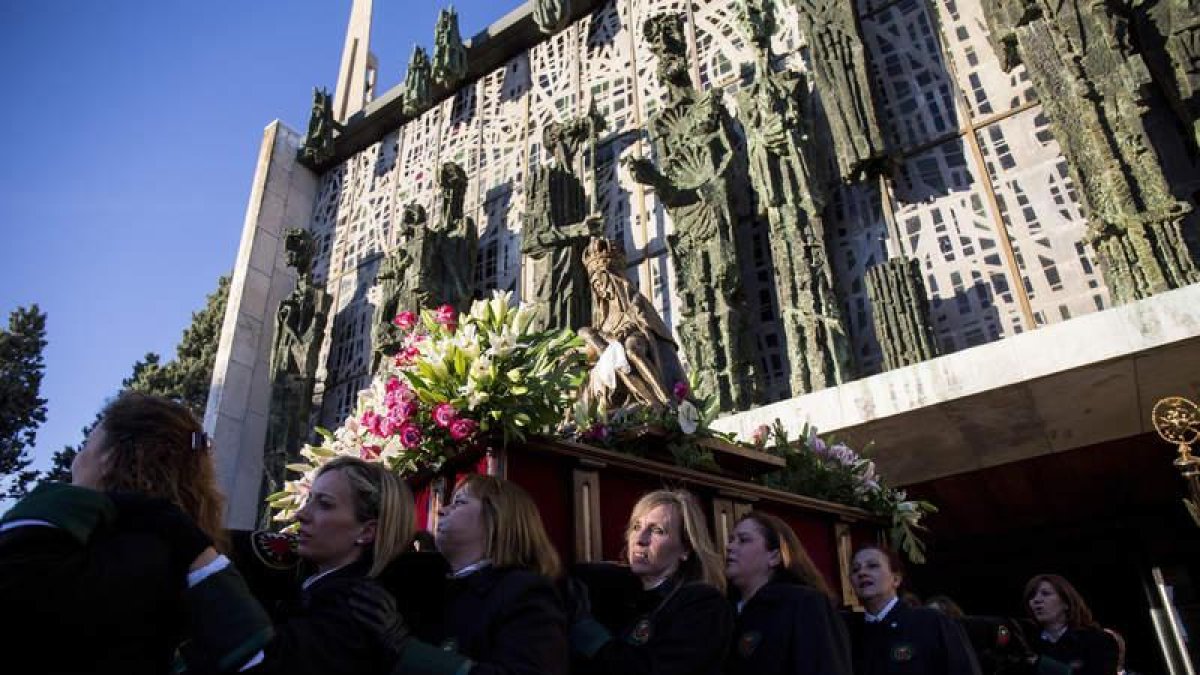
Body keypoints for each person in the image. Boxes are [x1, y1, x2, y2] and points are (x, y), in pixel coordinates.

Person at [0, 392, 272, 674]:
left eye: (85, 446)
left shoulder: (62, 549)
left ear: (110, 457)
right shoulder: (195, 558)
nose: (75, 461)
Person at [238, 455, 415, 675]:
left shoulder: (357, 609)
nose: (301, 514)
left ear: (366, 532)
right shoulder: (313, 583)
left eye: (324, 504)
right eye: (309, 499)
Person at [377, 473, 569, 675]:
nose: (441, 511)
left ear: (496, 517)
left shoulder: (524, 591)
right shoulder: (434, 586)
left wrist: (409, 652)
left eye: (459, 502)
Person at [567, 489, 733, 675]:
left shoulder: (704, 605)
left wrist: (591, 637)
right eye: (636, 527)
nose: (640, 539)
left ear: (685, 548)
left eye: (657, 531)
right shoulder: (612, 592)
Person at [724, 511, 852, 675]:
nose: (729, 547)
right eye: (730, 540)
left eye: (743, 540)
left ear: (775, 556)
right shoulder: (722, 610)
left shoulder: (804, 604)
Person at [847, 544, 981, 674]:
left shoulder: (931, 622)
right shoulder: (850, 633)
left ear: (896, 579)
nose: (862, 573)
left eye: (872, 566)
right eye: (855, 569)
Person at [1025, 574, 1118, 675]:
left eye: (1046, 594)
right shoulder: (1028, 644)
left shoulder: (1098, 640)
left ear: (1066, 602)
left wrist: (1040, 663)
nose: (1036, 600)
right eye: (1032, 596)